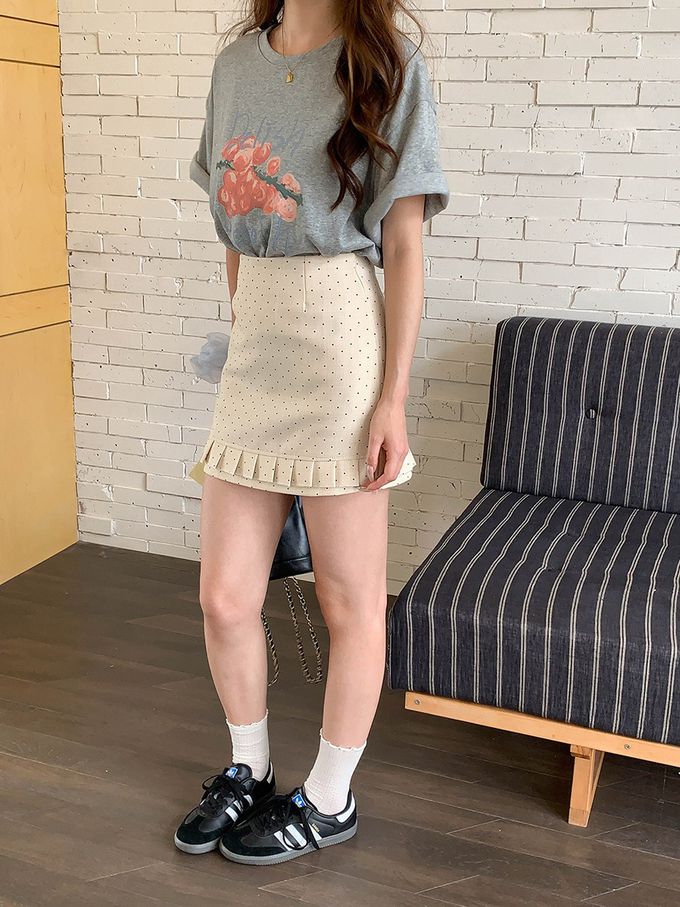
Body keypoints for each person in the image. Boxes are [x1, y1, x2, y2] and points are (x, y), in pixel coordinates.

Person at [174, 0, 449, 865]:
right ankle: (249, 768)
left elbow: (404, 248)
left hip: (343, 351)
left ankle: (330, 796)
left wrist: (392, 399)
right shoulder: (235, 68)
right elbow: (231, 219)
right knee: (225, 596)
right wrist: (246, 319)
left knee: (348, 601)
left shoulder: (388, 69)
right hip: (258, 346)